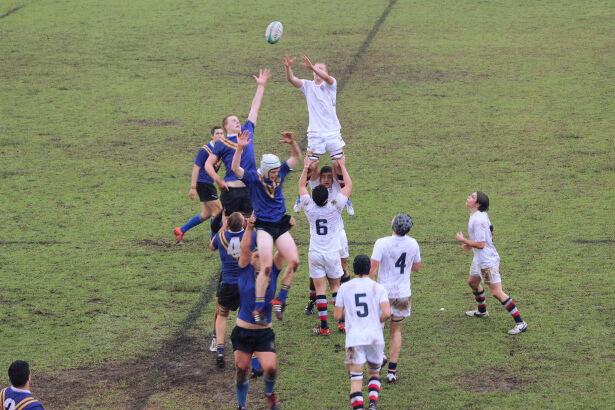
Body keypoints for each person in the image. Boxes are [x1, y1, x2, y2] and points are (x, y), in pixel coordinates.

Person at [232, 131, 301, 326]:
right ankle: (259, 308)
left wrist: (293, 143)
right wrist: (240, 148)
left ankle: (280, 299)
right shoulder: (254, 178)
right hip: (263, 225)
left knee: (295, 261)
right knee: (268, 266)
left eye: (278, 170)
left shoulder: (280, 173)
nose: (277, 174)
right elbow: (235, 168)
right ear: (264, 170)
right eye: (273, 171)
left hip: (280, 223)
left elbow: (296, 157)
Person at [456, 191, 528, 335]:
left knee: (496, 292)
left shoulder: (478, 219)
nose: (468, 197)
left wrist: (465, 241)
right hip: (479, 259)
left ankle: (520, 323)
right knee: (472, 282)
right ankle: (482, 311)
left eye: (472, 197)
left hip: (487, 262)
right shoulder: (480, 215)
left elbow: (481, 244)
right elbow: (490, 230)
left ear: (477, 204)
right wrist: (471, 244)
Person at [205, 69, 271, 223]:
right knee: (229, 224)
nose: (237, 121)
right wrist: (218, 180)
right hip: (231, 189)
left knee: (249, 224)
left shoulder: (247, 131)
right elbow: (208, 164)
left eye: (237, 120)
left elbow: (255, 107)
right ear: (226, 127)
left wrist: (261, 86)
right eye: (233, 120)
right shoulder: (222, 143)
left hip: (249, 187)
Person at [232, 217, 284, 410]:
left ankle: (270, 394)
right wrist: (250, 228)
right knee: (241, 370)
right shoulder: (244, 271)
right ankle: (241, 406)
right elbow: (245, 249)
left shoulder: (273, 272)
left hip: (264, 333)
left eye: (258, 254)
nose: (255, 255)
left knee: (270, 368)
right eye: (254, 254)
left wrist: (283, 230)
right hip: (243, 332)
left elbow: (283, 252)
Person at [298, 154, 352, 335]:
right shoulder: (335, 206)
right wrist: (342, 166)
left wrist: (306, 168)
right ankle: (342, 323)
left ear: (313, 197)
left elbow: (300, 186)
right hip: (332, 253)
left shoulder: (308, 207)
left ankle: (324, 327)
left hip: (315, 253)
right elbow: (349, 186)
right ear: (327, 198)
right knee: (335, 288)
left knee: (320, 289)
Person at [370, 213, 421, 383]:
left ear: (394, 225)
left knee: (377, 328)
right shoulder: (413, 243)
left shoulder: (382, 243)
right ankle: (392, 372)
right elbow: (417, 267)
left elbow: (373, 268)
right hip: (402, 293)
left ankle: (379, 358)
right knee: (396, 331)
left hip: (383, 293)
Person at [334, 255, 391, 410]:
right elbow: (387, 313)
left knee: (356, 379)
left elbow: (337, 316)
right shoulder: (378, 287)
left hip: (354, 339)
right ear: (369, 269)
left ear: (354, 269)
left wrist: (350, 312)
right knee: (373, 373)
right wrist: (376, 319)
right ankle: (372, 404)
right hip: (375, 337)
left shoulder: (345, 288)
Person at [209, 212, 256, 369]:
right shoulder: (249, 236)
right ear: (243, 224)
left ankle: (220, 351)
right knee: (247, 318)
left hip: (227, 284)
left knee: (222, 315)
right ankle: (252, 354)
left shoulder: (221, 237)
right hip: (245, 284)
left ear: (228, 224)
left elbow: (211, 246)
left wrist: (222, 228)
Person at [282, 55, 345, 163]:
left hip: (333, 132)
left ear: (326, 72)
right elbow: (291, 79)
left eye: (320, 69)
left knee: (338, 166)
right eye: (315, 69)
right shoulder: (307, 85)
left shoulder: (331, 83)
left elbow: (327, 78)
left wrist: (312, 67)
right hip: (315, 133)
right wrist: (288, 68)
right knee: (310, 167)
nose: (316, 71)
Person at [174, 126, 225, 244]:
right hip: (203, 183)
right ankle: (214, 241)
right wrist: (193, 187)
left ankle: (181, 230)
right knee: (218, 211)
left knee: (207, 214)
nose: (220, 136)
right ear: (212, 136)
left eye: (222, 133)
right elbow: (196, 168)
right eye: (217, 133)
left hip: (208, 183)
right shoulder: (205, 150)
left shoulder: (221, 149)